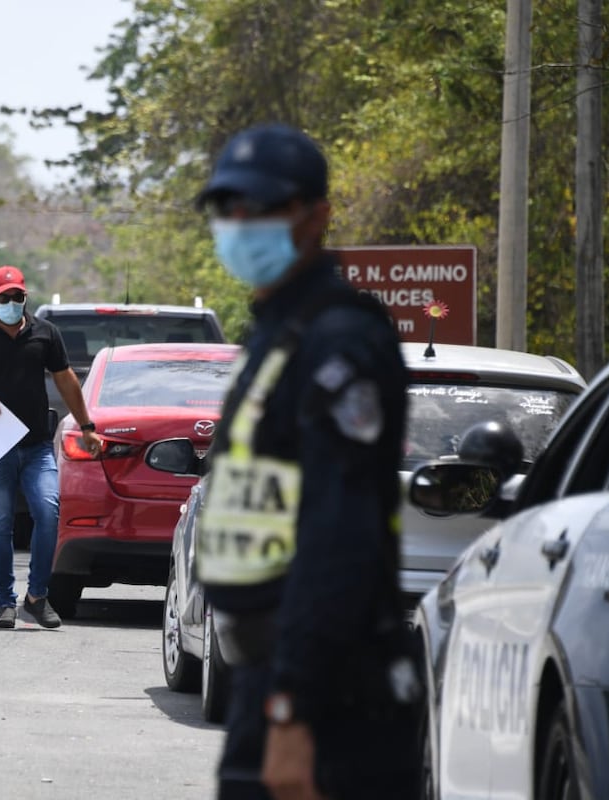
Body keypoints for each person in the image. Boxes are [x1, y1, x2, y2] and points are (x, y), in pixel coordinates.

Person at [192, 124, 421, 800]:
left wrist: (294, 708)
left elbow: (338, 538)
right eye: (228, 209)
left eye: (261, 209)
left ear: (315, 216)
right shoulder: (280, 333)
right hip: (268, 677)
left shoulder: (339, 342)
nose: (241, 225)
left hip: (330, 698)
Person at [0, 265, 101, 629]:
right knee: (0, 523)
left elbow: (66, 380)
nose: (12, 303)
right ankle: (5, 603)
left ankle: (37, 596)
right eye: (4, 298)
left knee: (47, 514)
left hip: (36, 445)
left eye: (18, 297)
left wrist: (87, 426)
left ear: (25, 297)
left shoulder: (45, 334)